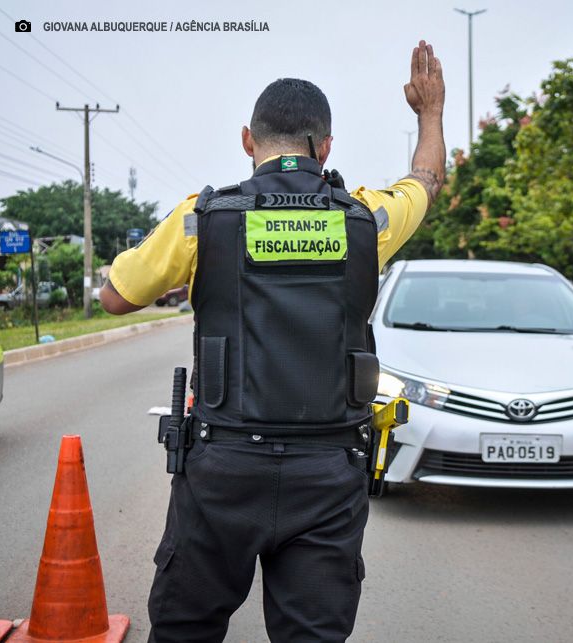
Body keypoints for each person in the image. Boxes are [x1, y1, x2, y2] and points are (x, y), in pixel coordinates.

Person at [101, 40, 445, 642]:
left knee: (185, 630)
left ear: (247, 140)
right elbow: (426, 181)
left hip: (222, 469)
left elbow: (114, 297)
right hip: (329, 471)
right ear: (327, 146)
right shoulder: (369, 219)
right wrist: (431, 115)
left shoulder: (199, 221)